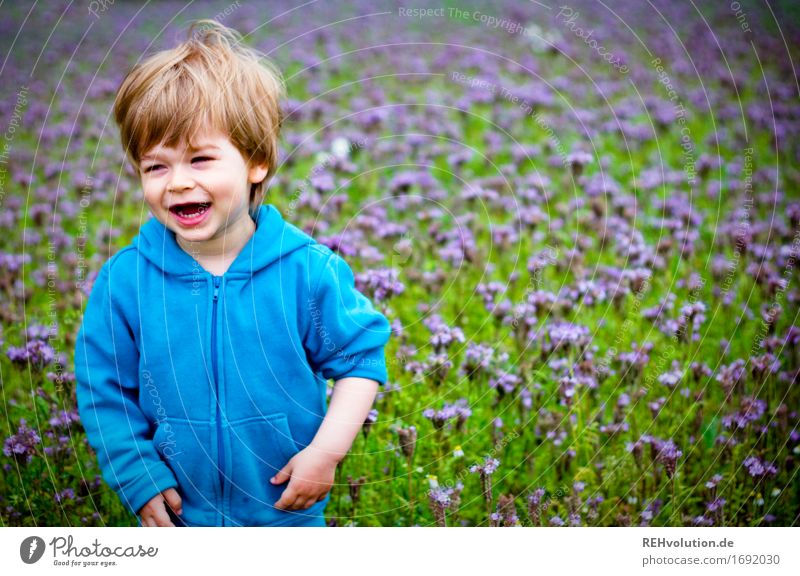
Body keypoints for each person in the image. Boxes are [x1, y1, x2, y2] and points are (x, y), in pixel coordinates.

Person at [74, 19, 391, 527]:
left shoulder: (306, 271)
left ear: (256, 162)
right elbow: (103, 388)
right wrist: (137, 476)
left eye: (200, 159)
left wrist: (326, 455)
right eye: (156, 166)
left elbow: (359, 361)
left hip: (286, 508)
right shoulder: (125, 282)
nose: (178, 182)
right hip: (177, 516)